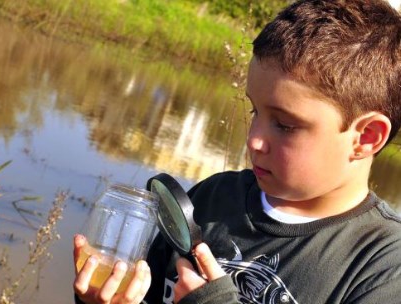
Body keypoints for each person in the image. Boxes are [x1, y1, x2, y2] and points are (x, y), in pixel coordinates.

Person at [73, 0, 401, 302]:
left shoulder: (384, 265)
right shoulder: (213, 198)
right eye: (255, 111)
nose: (254, 140)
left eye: (285, 125)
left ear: (367, 137)